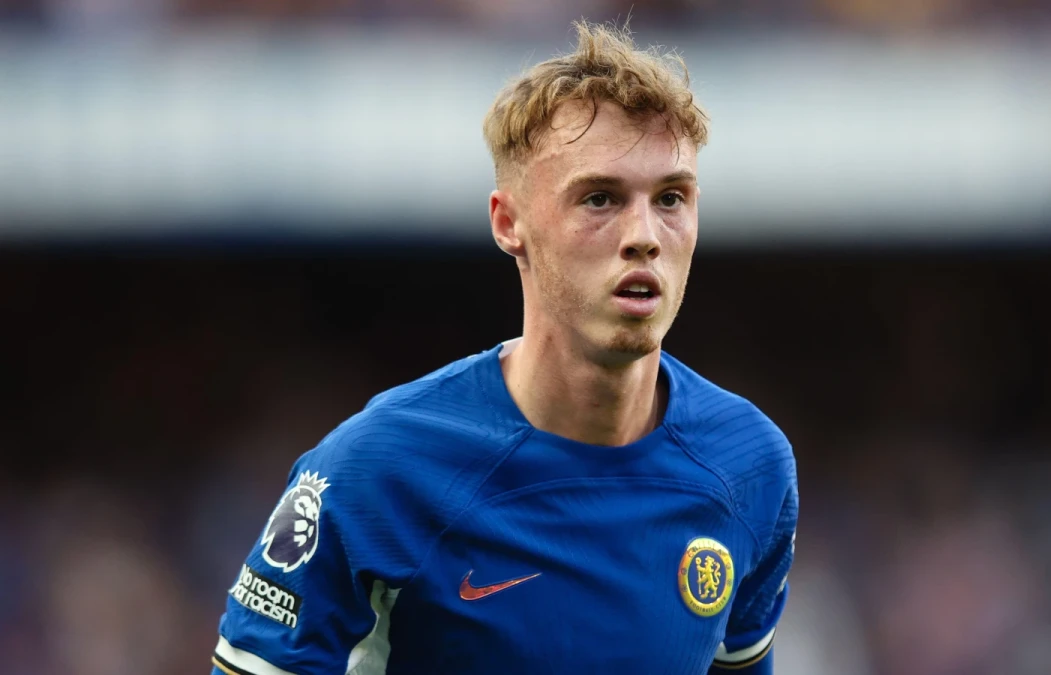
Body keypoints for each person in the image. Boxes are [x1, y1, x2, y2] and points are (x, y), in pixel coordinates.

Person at [211, 19, 798, 675]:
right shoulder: (377, 470)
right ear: (508, 222)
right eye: (600, 198)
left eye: (670, 198)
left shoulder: (750, 463)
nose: (644, 235)